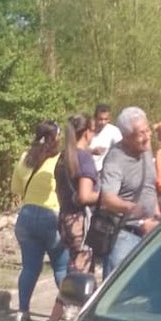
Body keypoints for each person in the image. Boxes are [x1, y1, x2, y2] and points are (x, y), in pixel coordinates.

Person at [10, 120, 69, 321]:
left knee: (29, 267)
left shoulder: (25, 158)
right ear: (55, 138)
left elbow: (16, 188)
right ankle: (66, 309)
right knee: (61, 266)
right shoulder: (59, 160)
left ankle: (22, 311)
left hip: (26, 216)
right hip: (51, 215)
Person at [98, 106, 160, 277]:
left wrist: (156, 216)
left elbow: (150, 186)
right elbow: (107, 199)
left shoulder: (146, 150)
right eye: (141, 133)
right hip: (124, 235)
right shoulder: (115, 160)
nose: (147, 137)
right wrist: (130, 208)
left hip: (150, 230)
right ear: (126, 137)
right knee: (119, 289)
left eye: (148, 130)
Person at [55, 112, 100, 274]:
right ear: (87, 132)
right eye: (94, 130)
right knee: (81, 276)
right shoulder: (84, 158)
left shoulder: (63, 157)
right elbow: (84, 195)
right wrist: (105, 197)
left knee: (74, 266)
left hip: (65, 219)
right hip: (81, 223)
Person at [89, 103, 123, 172]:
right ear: (95, 118)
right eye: (100, 119)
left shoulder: (113, 131)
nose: (103, 122)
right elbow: (77, 148)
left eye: (106, 119)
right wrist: (92, 151)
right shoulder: (88, 130)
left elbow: (122, 149)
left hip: (105, 171)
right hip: (88, 169)